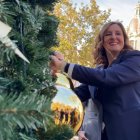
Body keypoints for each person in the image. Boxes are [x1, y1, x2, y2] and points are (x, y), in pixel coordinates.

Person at [50, 21, 140, 140]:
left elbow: (107, 77)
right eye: (108, 34)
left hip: (130, 133)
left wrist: (64, 66)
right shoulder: (99, 70)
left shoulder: (134, 59)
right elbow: (74, 97)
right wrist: (53, 77)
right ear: (102, 41)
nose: (114, 37)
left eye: (118, 33)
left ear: (124, 39)